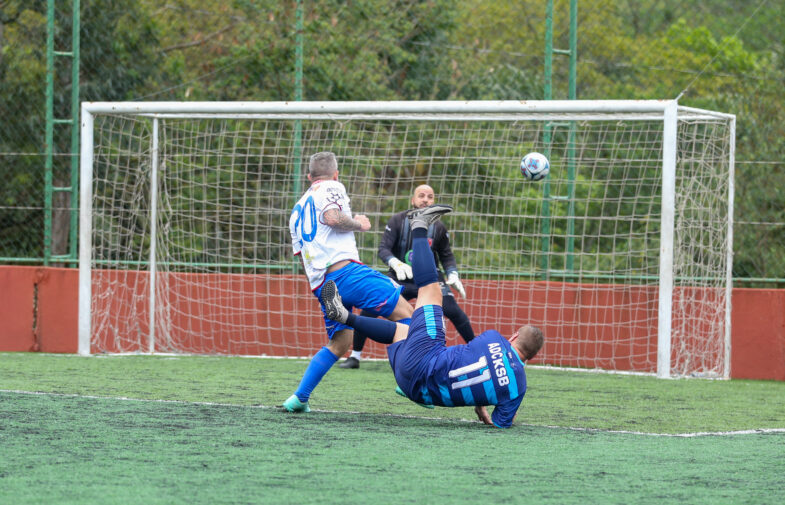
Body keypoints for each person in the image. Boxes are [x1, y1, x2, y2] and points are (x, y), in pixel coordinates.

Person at [321, 204, 544, 428]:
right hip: (412, 388)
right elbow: (501, 422)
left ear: (514, 336)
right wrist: (487, 402)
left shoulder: (495, 338)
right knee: (403, 330)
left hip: (423, 361)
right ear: (530, 358)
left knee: (431, 289)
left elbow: (477, 357)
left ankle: (419, 225)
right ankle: (344, 316)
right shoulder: (518, 388)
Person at [283, 151, 414, 413]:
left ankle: (299, 398)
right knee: (407, 314)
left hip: (322, 284)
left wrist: (319, 289)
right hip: (348, 274)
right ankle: (407, 381)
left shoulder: (296, 212)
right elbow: (332, 217)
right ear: (335, 174)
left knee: (341, 342)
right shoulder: (332, 186)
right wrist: (359, 224)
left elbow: (301, 258)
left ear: (309, 177)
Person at [339, 184, 475, 369]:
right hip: (400, 278)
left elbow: (446, 255)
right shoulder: (397, 221)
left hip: (429, 280)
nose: (425, 199)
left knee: (454, 311)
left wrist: (452, 273)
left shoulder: (439, 228)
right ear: (413, 200)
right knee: (371, 309)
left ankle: (475, 351)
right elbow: (383, 249)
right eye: (421, 195)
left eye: (430, 196)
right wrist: (396, 263)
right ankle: (355, 356)